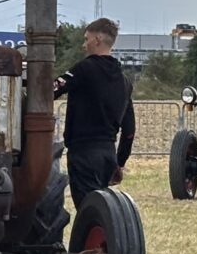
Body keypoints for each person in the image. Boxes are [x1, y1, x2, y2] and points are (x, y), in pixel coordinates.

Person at [54, 17, 136, 207]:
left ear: (97, 39)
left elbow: (52, 89)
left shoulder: (84, 69)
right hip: (108, 155)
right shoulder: (125, 81)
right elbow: (129, 130)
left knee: (87, 212)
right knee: (103, 212)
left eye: (86, 39)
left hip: (83, 153)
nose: (84, 45)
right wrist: (119, 161)